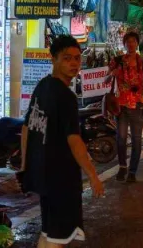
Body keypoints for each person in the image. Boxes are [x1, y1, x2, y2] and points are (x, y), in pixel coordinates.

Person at [20, 35, 104, 247]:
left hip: (44, 177)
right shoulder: (66, 97)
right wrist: (93, 175)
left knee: (49, 233)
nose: (74, 63)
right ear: (54, 60)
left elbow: (26, 127)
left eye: (77, 58)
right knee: (58, 238)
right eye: (67, 58)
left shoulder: (42, 86)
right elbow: (74, 139)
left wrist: (25, 166)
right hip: (61, 179)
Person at [109, 32, 143, 183]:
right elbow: (107, 78)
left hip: (137, 105)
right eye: (128, 41)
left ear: (137, 44)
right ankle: (122, 167)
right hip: (121, 106)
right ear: (124, 44)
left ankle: (132, 172)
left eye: (133, 41)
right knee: (121, 138)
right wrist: (112, 73)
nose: (131, 44)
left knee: (137, 140)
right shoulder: (117, 60)